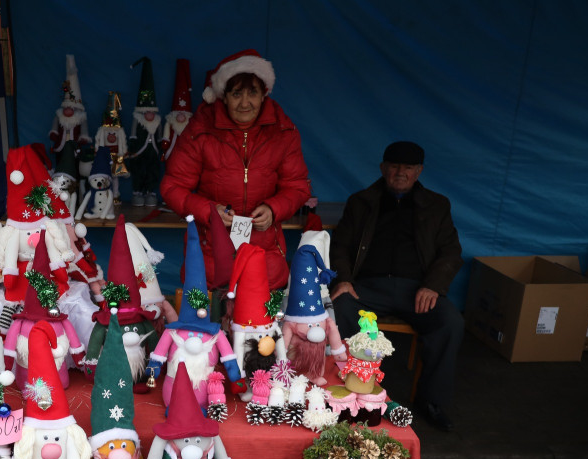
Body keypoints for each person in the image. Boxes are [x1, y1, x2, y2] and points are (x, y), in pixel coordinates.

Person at [329, 141, 463, 431]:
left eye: (408, 167)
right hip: (367, 287)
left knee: (449, 321)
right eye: (394, 166)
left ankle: (432, 401)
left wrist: (433, 286)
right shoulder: (362, 201)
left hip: (416, 290)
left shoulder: (437, 205)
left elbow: (450, 252)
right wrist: (344, 280)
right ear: (383, 168)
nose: (400, 172)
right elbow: (340, 246)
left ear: (419, 171)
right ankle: (351, 390)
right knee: (339, 306)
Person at [161, 49, 310, 290]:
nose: (244, 102)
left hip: (265, 255)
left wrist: (273, 209)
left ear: (264, 94)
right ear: (223, 96)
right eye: (236, 93)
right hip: (210, 255)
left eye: (253, 92)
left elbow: (297, 187)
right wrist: (209, 212)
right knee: (207, 324)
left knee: (261, 326)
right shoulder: (200, 130)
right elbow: (172, 187)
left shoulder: (283, 132)